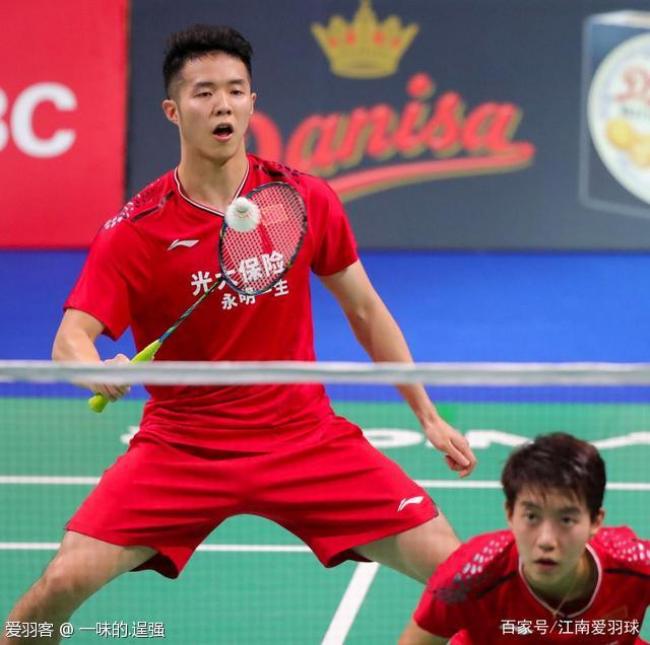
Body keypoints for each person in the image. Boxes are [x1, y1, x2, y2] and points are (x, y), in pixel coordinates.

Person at [1, 24, 477, 643]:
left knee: (459, 579)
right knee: (59, 584)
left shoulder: (302, 199)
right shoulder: (137, 229)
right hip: (182, 447)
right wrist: (93, 366)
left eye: (234, 90)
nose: (221, 105)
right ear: (173, 110)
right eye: (203, 93)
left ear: (252, 102)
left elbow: (365, 310)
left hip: (303, 437)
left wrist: (427, 414)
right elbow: (70, 337)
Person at [399, 432, 650, 645]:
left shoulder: (637, 565)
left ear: (595, 521)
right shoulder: (470, 576)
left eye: (566, 520)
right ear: (510, 513)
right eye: (532, 517)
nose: (546, 541)